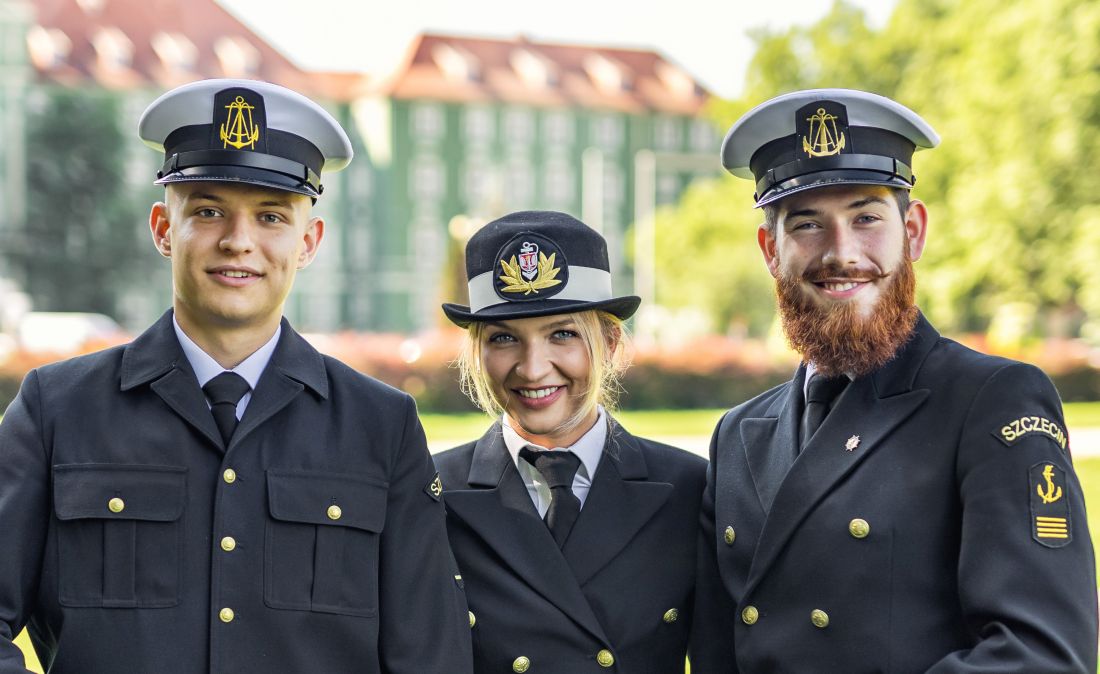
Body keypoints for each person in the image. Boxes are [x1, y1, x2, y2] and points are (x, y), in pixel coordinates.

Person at [0, 79, 472, 674]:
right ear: (163, 229)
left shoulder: (381, 427)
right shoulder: (57, 411)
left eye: (270, 216)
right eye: (207, 210)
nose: (238, 241)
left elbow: (432, 657)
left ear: (308, 241)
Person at [691, 88, 1098, 673]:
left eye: (866, 218)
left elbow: (1042, 655)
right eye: (807, 224)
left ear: (913, 231)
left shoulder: (994, 402)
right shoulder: (737, 436)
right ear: (769, 250)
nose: (841, 253)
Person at [434, 211, 707, 673]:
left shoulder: (689, 487)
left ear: (611, 342)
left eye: (562, 334)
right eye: (503, 338)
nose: (533, 368)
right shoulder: (431, 490)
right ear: (477, 353)